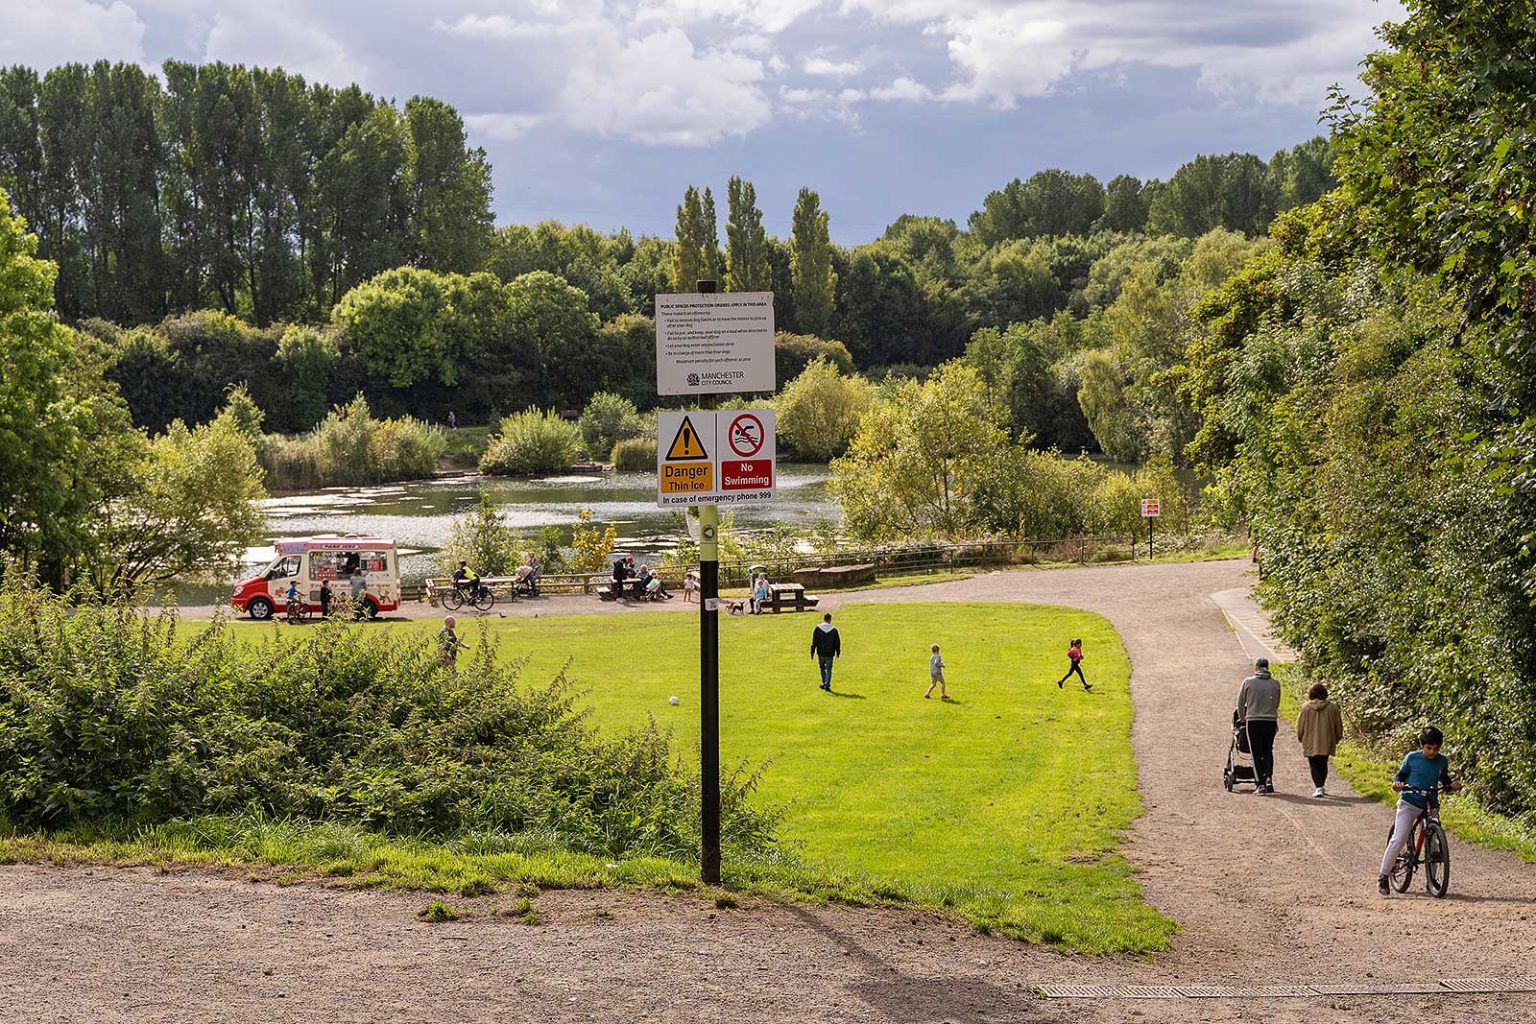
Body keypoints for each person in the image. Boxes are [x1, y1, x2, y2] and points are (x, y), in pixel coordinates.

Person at [1378, 726, 1460, 896]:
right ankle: (1384, 876)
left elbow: (1443, 777)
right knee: (1399, 837)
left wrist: (1451, 785)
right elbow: (1400, 776)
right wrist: (1397, 784)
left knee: (1435, 842)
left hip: (1430, 803)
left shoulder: (1442, 761)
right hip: (1409, 802)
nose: (1432, 752)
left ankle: (1432, 880)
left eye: (1436, 749)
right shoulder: (1412, 758)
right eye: (1429, 748)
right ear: (1422, 745)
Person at [1235, 657, 1282, 795]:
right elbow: (1277, 703)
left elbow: (1240, 702)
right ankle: (1269, 779)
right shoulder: (1275, 684)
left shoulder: (1248, 682)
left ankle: (1260, 784)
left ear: (1256, 667)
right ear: (1267, 668)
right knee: (1268, 750)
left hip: (1254, 720)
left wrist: (1243, 716)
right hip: (1270, 721)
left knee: (1256, 752)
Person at [1296, 682, 1344, 798]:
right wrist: (1338, 736)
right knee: (1323, 763)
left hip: (1310, 740)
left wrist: (1300, 736)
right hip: (1326, 740)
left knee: (1313, 764)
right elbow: (1338, 724)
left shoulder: (1306, 708)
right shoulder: (1332, 707)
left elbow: (1300, 724)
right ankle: (1321, 786)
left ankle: (1318, 787)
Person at [810, 612, 841, 692]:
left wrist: (812, 652)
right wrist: (838, 652)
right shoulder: (834, 630)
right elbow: (837, 642)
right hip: (830, 653)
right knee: (829, 669)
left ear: (823, 619)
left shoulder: (817, 629)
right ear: (830, 620)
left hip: (820, 652)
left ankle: (824, 682)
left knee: (822, 668)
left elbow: (814, 641)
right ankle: (827, 684)